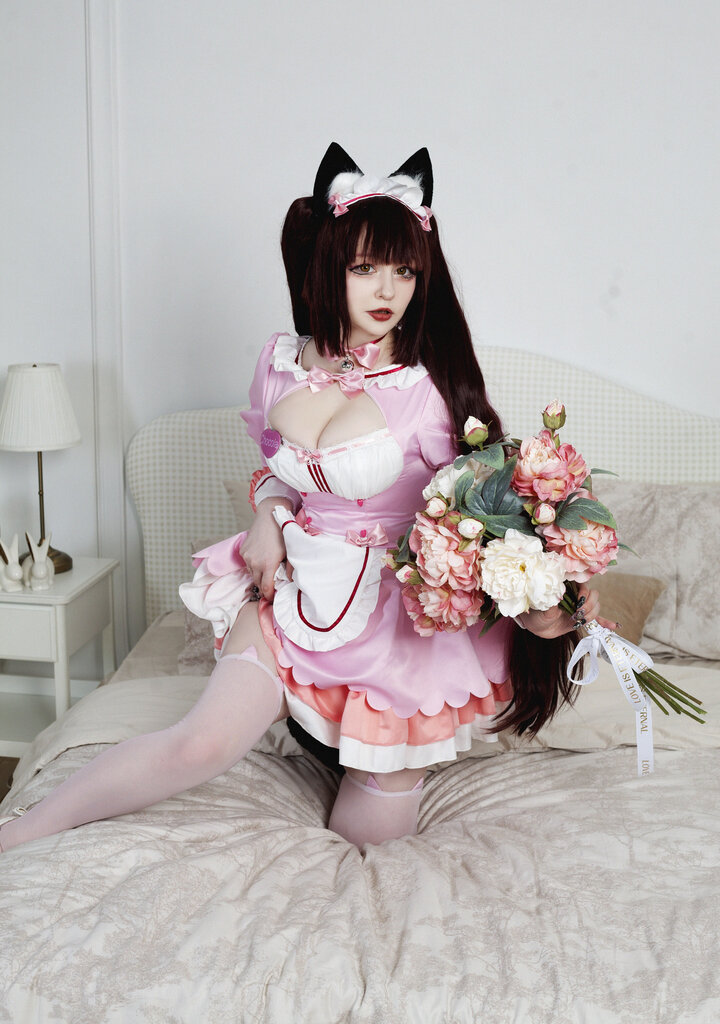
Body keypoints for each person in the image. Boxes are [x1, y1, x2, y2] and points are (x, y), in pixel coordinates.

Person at [0, 143, 610, 854]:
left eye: (405, 271)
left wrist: (545, 599)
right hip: (291, 591)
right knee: (199, 745)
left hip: (397, 633)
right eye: (365, 268)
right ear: (330, 266)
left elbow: (485, 521)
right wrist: (268, 513)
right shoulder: (280, 363)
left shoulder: (430, 391)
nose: (387, 290)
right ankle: (16, 832)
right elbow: (277, 470)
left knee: (364, 852)